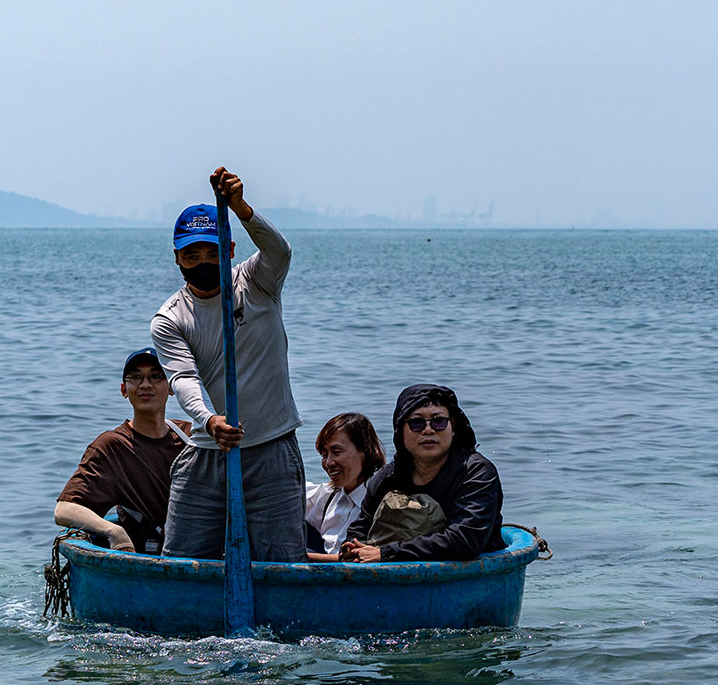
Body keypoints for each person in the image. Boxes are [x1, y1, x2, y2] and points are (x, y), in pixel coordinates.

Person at [151, 167, 308, 562]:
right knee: (182, 562)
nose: (203, 261)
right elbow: (183, 378)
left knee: (282, 565)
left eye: (212, 252)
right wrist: (208, 421)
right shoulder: (170, 318)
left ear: (231, 250)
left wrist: (240, 208)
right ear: (177, 258)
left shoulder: (258, 281)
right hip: (208, 448)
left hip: (272, 443)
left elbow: (280, 251)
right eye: (192, 255)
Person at [342, 384, 504, 563]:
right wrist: (352, 548)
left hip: (465, 578)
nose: (428, 430)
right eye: (416, 423)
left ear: (453, 426)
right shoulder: (388, 477)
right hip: (389, 575)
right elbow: (360, 527)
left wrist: (386, 554)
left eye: (438, 421)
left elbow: (465, 539)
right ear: (400, 429)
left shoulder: (477, 473)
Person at [54, 349, 192, 553]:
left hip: (196, 549)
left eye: (156, 376)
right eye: (136, 377)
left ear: (171, 387)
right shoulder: (112, 446)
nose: (146, 385)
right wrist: (114, 531)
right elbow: (64, 510)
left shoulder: (189, 436)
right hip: (145, 556)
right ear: (124, 389)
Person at [303, 413, 385, 562]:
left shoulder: (384, 502)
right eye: (324, 454)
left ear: (365, 451)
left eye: (337, 452)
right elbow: (287, 493)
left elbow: (358, 559)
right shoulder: (328, 495)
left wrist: (302, 557)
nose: (328, 463)